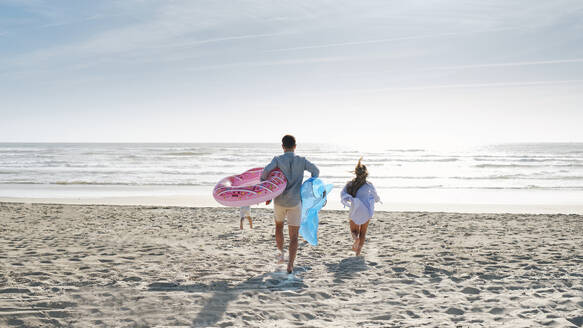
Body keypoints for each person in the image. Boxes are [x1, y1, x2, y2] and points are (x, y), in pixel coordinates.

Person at [261, 135, 319, 273]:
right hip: (295, 202)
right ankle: (290, 265)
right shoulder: (302, 160)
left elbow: (265, 172)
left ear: (282, 146)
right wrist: (308, 186)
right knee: (294, 236)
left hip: (279, 201)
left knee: (279, 227)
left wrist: (266, 188)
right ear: (295, 146)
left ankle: (281, 255)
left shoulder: (277, 160)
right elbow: (316, 172)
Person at [340, 158, 380, 256]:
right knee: (363, 232)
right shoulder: (369, 185)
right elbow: (376, 197)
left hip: (355, 210)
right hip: (366, 211)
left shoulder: (350, 184)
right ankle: (358, 253)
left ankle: (355, 239)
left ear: (356, 173)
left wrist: (350, 199)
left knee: (354, 231)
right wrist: (374, 200)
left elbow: (343, 194)